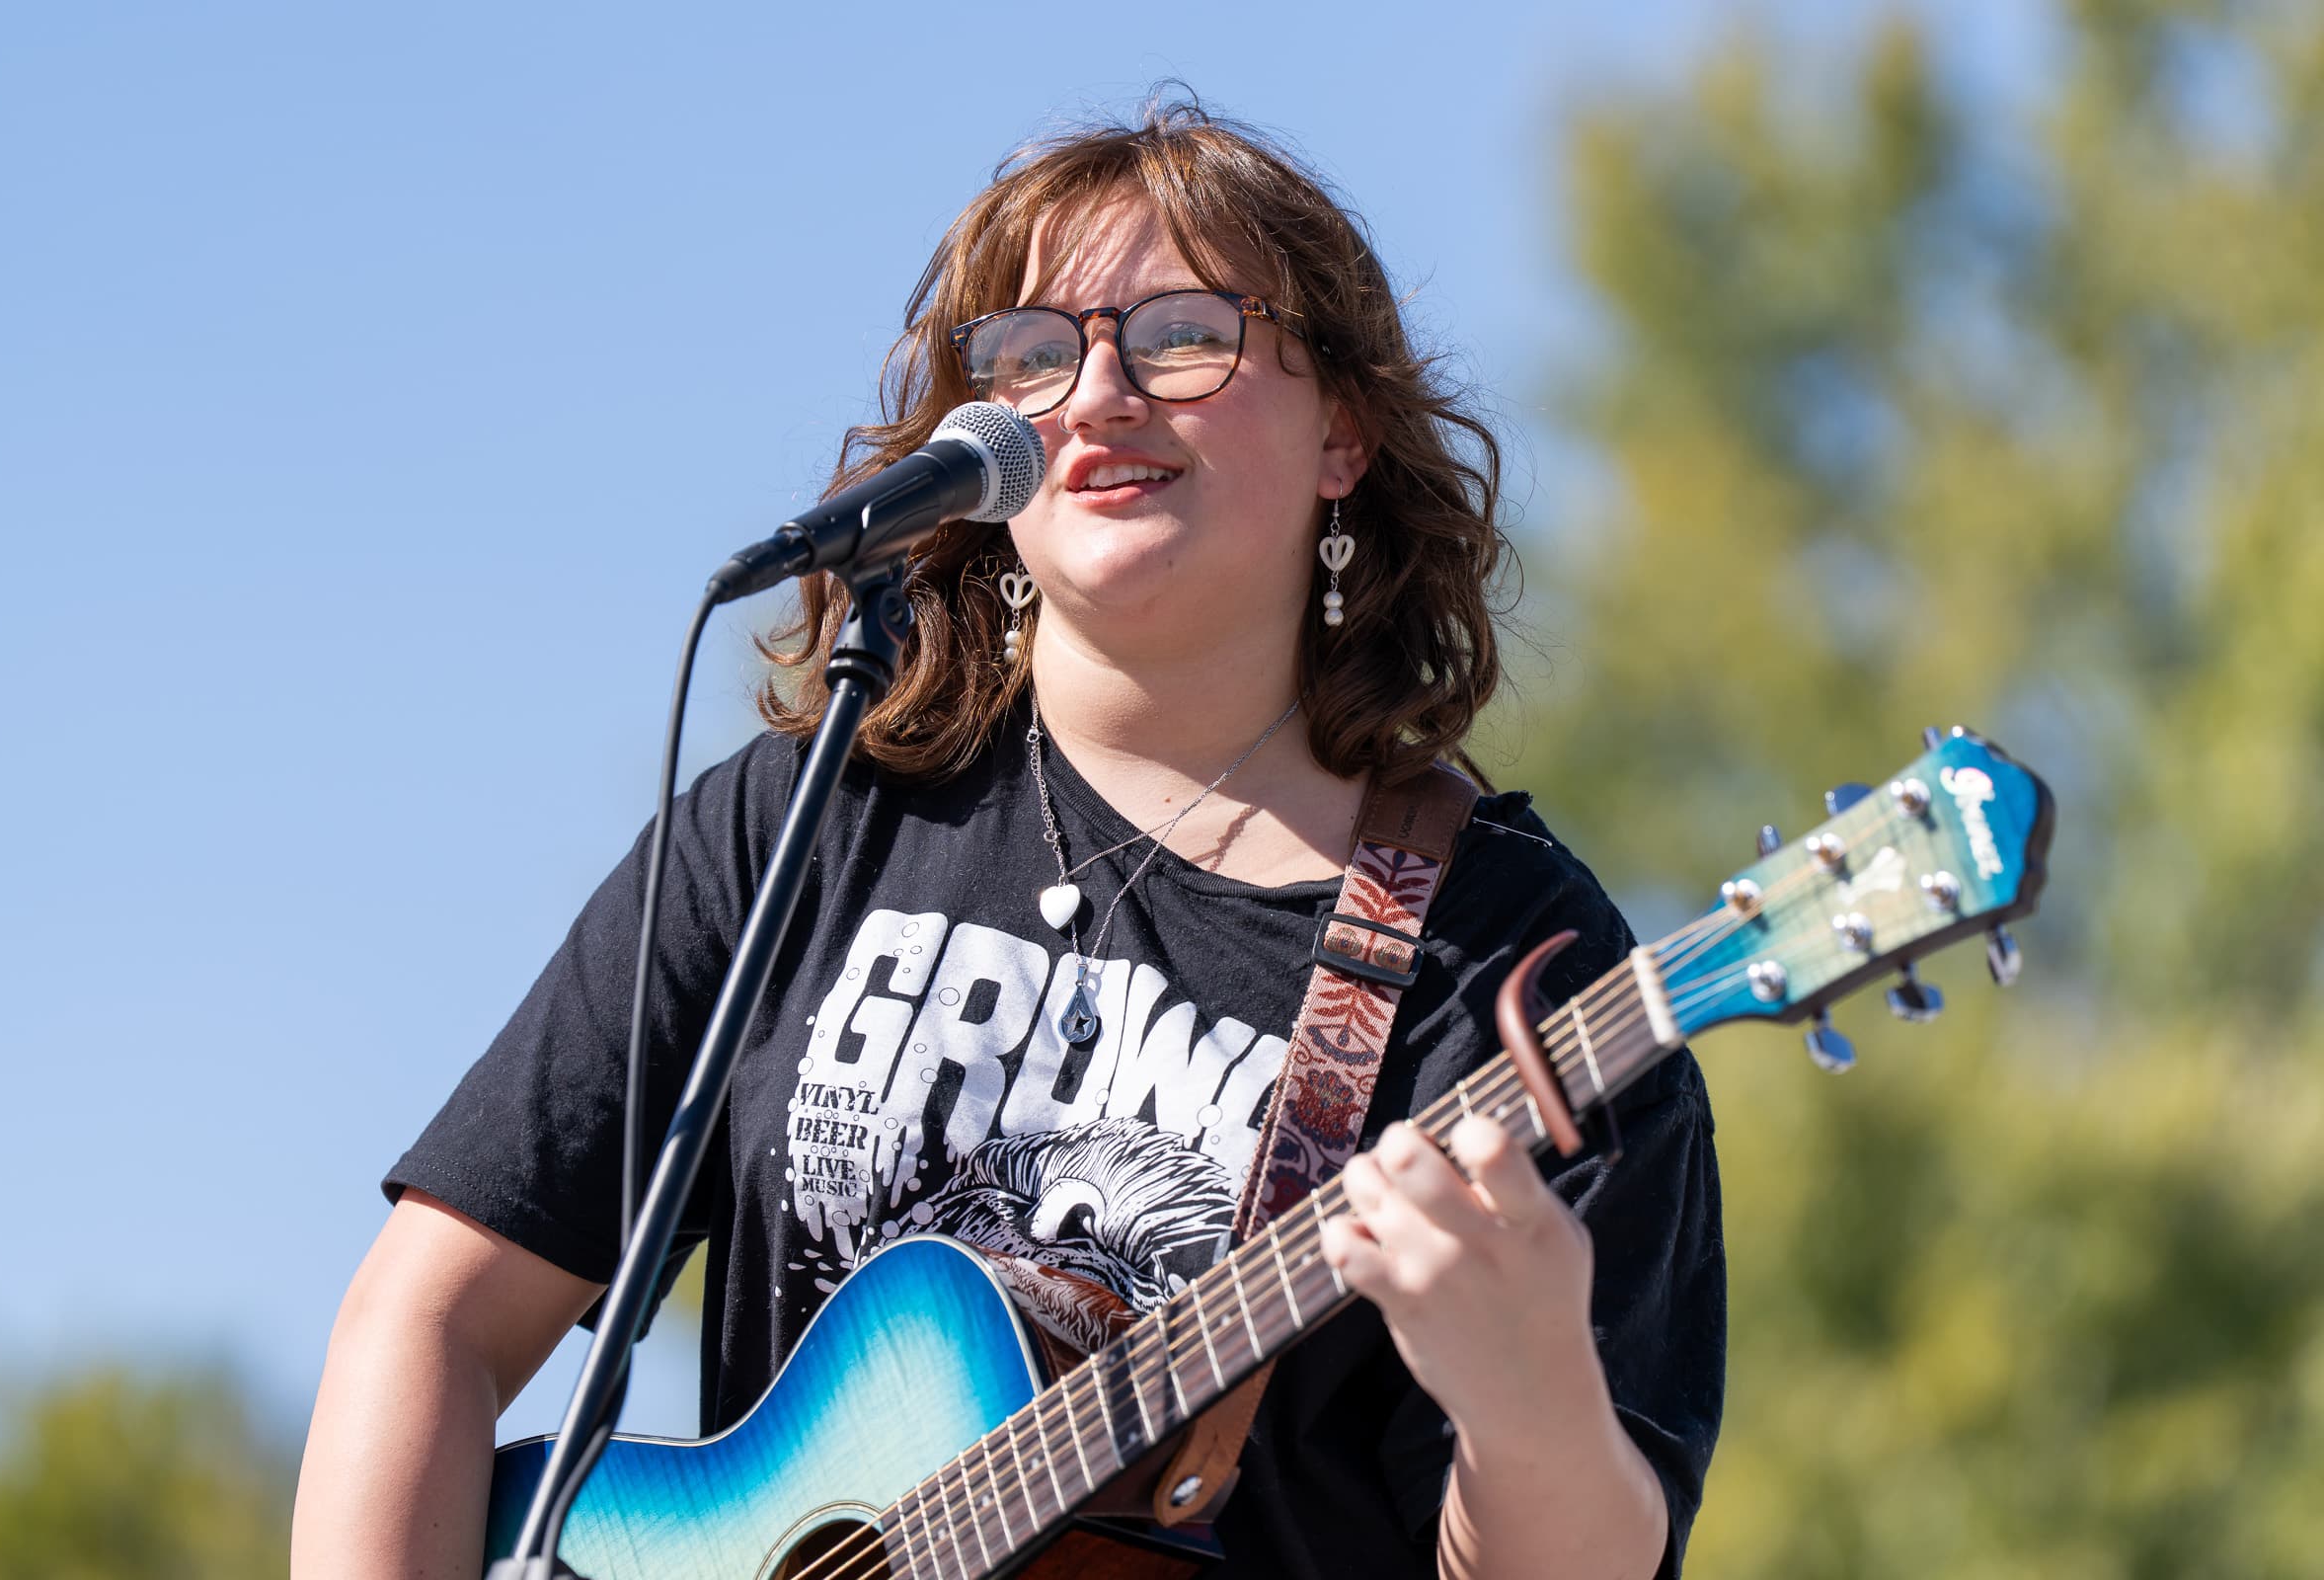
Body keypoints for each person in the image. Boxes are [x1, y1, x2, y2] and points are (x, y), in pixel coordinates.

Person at [293, 100, 1725, 1580]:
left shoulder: (1506, 964)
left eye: (1181, 335)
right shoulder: (801, 825)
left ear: (1343, 434)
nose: (1099, 393)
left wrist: (1529, 1393)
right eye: (1036, 353)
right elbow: (431, 1321)